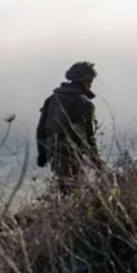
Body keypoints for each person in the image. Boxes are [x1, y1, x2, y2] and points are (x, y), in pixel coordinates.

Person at [37, 61, 103, 194]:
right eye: (90, 81)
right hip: (71, 152)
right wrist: (96, 160)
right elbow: (89, 136)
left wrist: (42, 152)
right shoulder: (84, 103)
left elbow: (41, 129)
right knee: (73, 189)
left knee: (65, 185)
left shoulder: (52, 99)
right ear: (86, 81)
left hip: (53, 150)